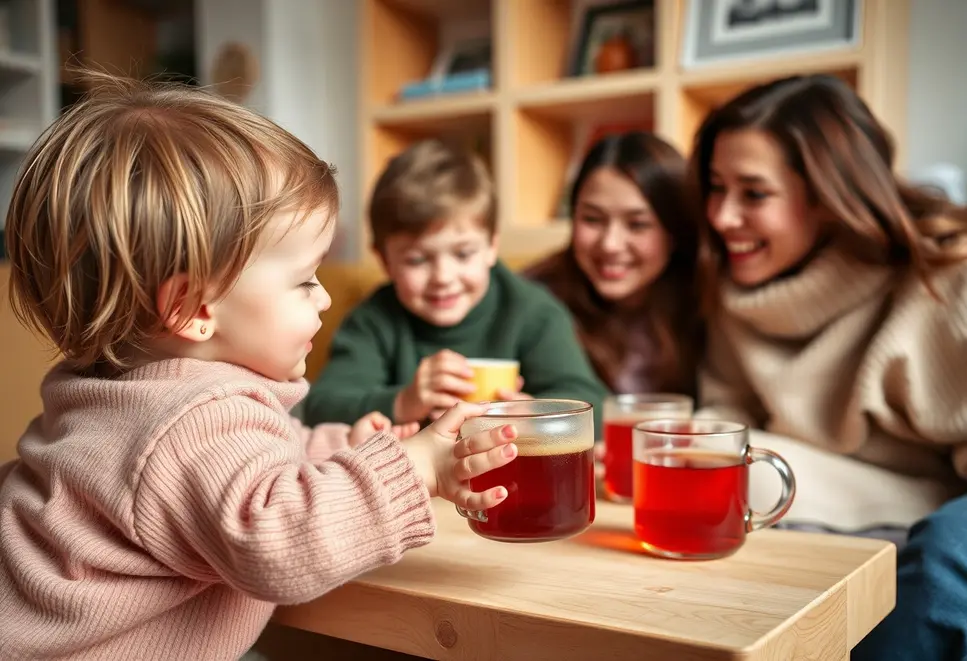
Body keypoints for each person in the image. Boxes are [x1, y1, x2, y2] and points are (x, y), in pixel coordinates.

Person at [0, 72, 519, 661]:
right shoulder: (194, 420)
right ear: (193, 307)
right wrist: (416, 466)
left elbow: (254, 462)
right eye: (304, 280)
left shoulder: (122, 393)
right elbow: (276, 541)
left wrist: (345, 447)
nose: (324, 297)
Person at [691, 73, 967, 661]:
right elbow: (723, 409)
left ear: (830, 195)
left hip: (933, 519)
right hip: (799, 497)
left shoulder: (946, 284)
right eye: (716, 188)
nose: (721, 217)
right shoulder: (740, 292)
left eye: (753, 194)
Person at [304, 139, 608, 435]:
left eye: (463, 254)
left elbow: (593, 405)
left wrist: (533, 413)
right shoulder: (373, 321)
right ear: (385, 261)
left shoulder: (533, 311)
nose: (443, 277)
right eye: (417, 259)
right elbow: (322, 407)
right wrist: (405, 401)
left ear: (492, 246)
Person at [526, 131, 701, 396]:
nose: (610, 244)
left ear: (675, 231)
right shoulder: (533, 300)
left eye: (637, 224)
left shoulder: (705, 302)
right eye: (592, 219)